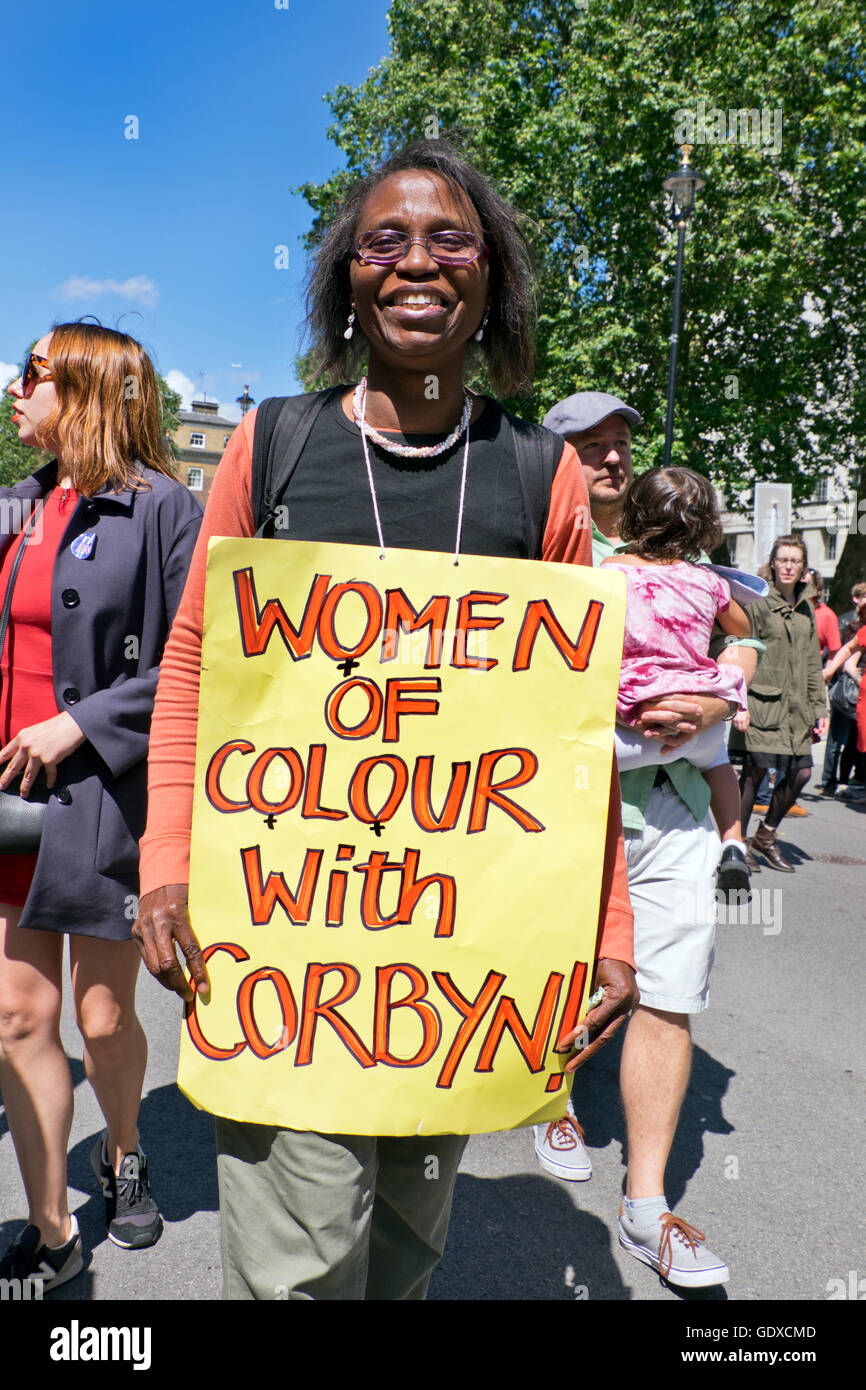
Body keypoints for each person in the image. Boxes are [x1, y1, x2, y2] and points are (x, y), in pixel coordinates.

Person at [132, 139, 638, 1301]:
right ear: (346, 278)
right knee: (298, 1268)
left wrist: (606, 923)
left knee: (404, 1254)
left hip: (456, 969)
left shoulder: (538, 473)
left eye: (449, 237)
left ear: (492, 276)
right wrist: (167, 860)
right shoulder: (272, 445)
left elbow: (571, 738)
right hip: (287, 950)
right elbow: (196, 662)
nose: (417, 262)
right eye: (384, 240)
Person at [539, 390, 761, 1287]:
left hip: (672, 811)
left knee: (671, 988)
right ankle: (551, 1100)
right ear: (553, 458)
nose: (613, 458)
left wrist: (718, 693)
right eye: (591, 445)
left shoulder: (683, 565)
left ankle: (646, 1205)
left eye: (623, 443)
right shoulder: (540, 548)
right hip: (572, 805)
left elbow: (754, 634)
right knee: (556, 964)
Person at [0, 323, 202, 1292]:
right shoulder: (18, 504)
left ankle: (122, 1156)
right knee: (15, 1016)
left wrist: (79, 726)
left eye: (31, 375)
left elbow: (191, 663)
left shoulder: (164, 508)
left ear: (85, 390)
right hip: (7, 796)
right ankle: (49, 1231)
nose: (14, 389)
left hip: (106, 796)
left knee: (103, 1014)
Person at [601, 467, 751, 897]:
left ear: (634, 514)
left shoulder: (611, 570)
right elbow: (741, 627)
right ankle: (734, 843)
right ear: (704, 526)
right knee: (719, 762)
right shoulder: (708, 580)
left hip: (630, 721)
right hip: (694, 722)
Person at [733, 536, 828, 872]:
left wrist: (820, 708)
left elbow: (813, 663)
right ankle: (737, 844)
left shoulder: (806, 609)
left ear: (803, 568)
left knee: (801, 772)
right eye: (783, 559)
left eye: (795, 561)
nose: (788, 566)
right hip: (763, 702)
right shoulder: (757, 603)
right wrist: (739, 702)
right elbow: (742, 651)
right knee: (754, 774)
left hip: (797, 708)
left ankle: (767, 834)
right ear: (773, 563)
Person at [819, 584, 866, 796]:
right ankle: (833, 781)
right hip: (857, 696)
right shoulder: (856, 627)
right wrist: (829, 670)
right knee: (847, 741)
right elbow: (848, 649)